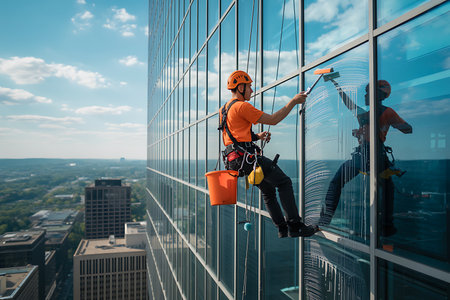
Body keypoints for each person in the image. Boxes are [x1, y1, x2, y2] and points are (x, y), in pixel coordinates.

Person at [219, 70, 318, 238]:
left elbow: (233, 136)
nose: (252, 90)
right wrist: (293, 101)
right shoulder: (242, 106)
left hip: (234, 160)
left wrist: (257, 137)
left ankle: (282, 228)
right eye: (249, 86)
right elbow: (273, 119)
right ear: (240, 87)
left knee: (268, 190)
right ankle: (295, 225)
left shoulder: (224, 109)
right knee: (284, 182)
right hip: (247, 159)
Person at [318, 79, 412, 237]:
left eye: (368, 93)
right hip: (377, 157)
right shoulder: (385, 113)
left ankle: (325, 220)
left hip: (363, 156)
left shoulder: (367, 114)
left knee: (336, 182)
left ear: (378, 94)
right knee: (387, 187)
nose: (365, 95)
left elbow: (349, 103)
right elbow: (408, 129)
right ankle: (387, 226)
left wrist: (337, 86)